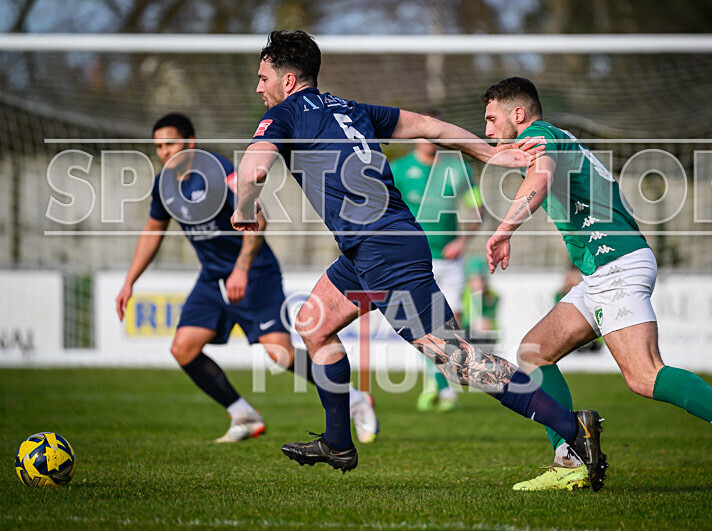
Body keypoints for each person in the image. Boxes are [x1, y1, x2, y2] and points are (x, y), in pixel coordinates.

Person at [232, 30, 607, 490]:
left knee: (458, 361)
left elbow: (253, 169)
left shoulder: (284, 114)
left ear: (288, 81)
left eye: (263, 78)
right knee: (314, 324)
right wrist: (489, 153)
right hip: (369, 249)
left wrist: (244, 209)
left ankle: (573, 427)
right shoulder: (352, 109)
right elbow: (431, 126)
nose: (259, 87)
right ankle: (337, 441)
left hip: (383, 250)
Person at [482, 77, 712, 492]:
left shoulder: (540, 136)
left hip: (616, 265)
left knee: (644, 375)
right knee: (534, 352)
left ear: (518, 114)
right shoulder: (553, 138)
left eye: (491, 118)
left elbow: (539, 178)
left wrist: (504, 230)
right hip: (604, 269)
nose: (487, 128)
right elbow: (500, 156)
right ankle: (570, 458)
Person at [115, 112, 378, 444]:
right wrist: (130, 282)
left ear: (189, 142)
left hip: (254, 271)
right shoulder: (164, 185)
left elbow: (259, 219)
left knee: (280, 354)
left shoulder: (221, 171)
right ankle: (244, 415)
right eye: (159, 146)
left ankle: (354, 399)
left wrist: (241, 268)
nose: (165, 152)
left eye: (171, 143)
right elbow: (153, 232)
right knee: (183, 348)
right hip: (213, 277)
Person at [390, 112, 482, 412]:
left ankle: (439, 380)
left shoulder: (458, 170)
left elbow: (477, 210)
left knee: (452, 327)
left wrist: (462, 241)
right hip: (414, 261)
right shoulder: (399, 169)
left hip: (451, 261)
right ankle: (441, 385)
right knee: (424, 326)